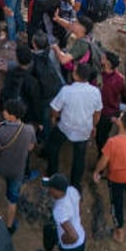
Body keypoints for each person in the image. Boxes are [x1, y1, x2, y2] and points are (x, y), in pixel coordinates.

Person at [47, 63, 103, 191]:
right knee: (79, 157)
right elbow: (97, 112)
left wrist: (55, 118)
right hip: (84, 130)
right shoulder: (95, 92)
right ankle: (75, 184)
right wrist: (93, 126)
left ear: (75, 75)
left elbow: (55, 108)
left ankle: (52, 175)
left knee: (53, 146)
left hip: (65, 127)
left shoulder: (66, 90)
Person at [0, 99, 36, 232]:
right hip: (17, 171)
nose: (3, 112)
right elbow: (31, 147)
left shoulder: (1, 130)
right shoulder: (29, 129)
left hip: (0, 165)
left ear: (12, 116)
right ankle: (9, 226)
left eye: (6, 111)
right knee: (12, 200)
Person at [93, 111, 126, 243]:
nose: (118, 118)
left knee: (116, 204)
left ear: (122, 123)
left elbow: (103, 161)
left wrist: (97, 172)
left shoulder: (113, 142)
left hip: (117, 178)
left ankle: (119, 231)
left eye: (120, 118)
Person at [96, 51, 126, 150]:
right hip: (113, 111)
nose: (102, 57)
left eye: (104, 58)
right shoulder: (120, 78)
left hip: (103, 112)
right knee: (104, 133)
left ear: (108, 63)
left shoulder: (101, 80)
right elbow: (124, 93)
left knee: (100, 137)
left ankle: (103, 154)